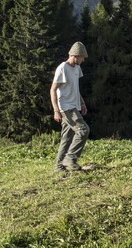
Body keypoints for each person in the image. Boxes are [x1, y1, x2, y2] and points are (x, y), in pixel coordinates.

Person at [50, 41, 90, 172]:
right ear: (75, 56)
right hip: (66, 108)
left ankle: (58, 166)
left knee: (67, 138)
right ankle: (70, 158)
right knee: (83, 130)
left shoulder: (77, 68)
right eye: (82, 57)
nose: (83, 60)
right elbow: (53, 90)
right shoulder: (62, 68)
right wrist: (56, 110)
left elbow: (75, 89)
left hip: (74, 105)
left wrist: (82, 103)